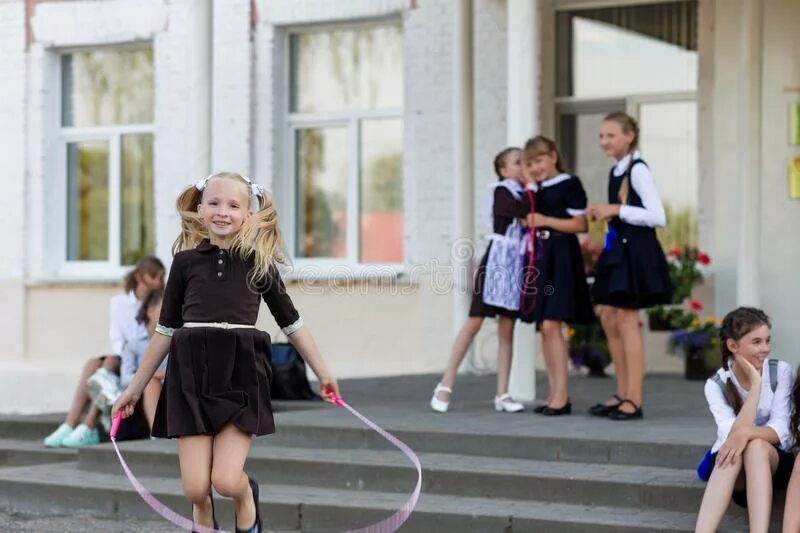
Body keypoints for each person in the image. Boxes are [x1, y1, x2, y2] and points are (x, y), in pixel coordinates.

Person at [112, 172, 339, 532]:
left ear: (248, 213)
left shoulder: (259, 262)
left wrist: (323, 372)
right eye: (214, 203)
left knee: (227, 480)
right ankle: (203, 517)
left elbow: (292, 323)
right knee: (195, 488)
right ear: (200, 208)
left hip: (241, 376)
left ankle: (247, 497)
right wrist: (135, 387)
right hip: (190, 379)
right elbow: (165, 330)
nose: (223, 212)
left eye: (233, 205)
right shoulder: (185, 263)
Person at [430, 147, 535, 414]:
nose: (525, 167)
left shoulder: (527, 194)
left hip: (515, 265)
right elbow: (517, 210)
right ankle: (445, 383)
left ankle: (503, 392)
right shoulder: (502, 191)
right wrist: (534, 190)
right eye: (518, 162)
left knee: (507, 328)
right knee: (474, 322)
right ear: (504, 170)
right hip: (495, 263)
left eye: (527, 162)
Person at [586, 112, 672, 421]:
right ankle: (621, 391)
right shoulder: (616, 170)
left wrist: (616, 209)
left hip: (636, 253)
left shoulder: (638, 170)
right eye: (601, 136)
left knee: (625, 320)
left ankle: (634, 399)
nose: (604, 141)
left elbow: (657, 216)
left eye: (610, 135)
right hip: (618, 253)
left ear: (629, 136)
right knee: (609, 317)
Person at [42, 256, 165, 448]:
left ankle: (89, 425)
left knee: (106, 368)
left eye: (161, 277)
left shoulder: (160, 302)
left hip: (143, 358)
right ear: (140, 277)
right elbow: (118, 338)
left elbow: (157, 337)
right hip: (124, 355)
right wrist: (125, 355)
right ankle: (70, 424)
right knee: (96, 364)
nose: (159, 281)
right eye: (154, 276)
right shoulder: (120, 302)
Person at [695, 307, 793, 533]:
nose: (765, 349)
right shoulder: (716, 384)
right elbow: (732, 436)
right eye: (757, 342)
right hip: (736, 472)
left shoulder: (780, 371)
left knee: (756, 446)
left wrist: (748, 433)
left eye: (767, 340)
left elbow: (781, 431)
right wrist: (756, 386)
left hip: (773, 464)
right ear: (733, 346)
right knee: (733, 449)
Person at [518, 136, 594, 416]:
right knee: (544, 326)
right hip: (540, 257)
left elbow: (581, 223)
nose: (535, 168)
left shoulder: (569, 184)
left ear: (552, 155)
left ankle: (561, 396)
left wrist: (546, 220)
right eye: (530, 163)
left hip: (561, 255)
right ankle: (554, 393)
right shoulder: (533, 189)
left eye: (538, 161)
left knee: (552, 324)